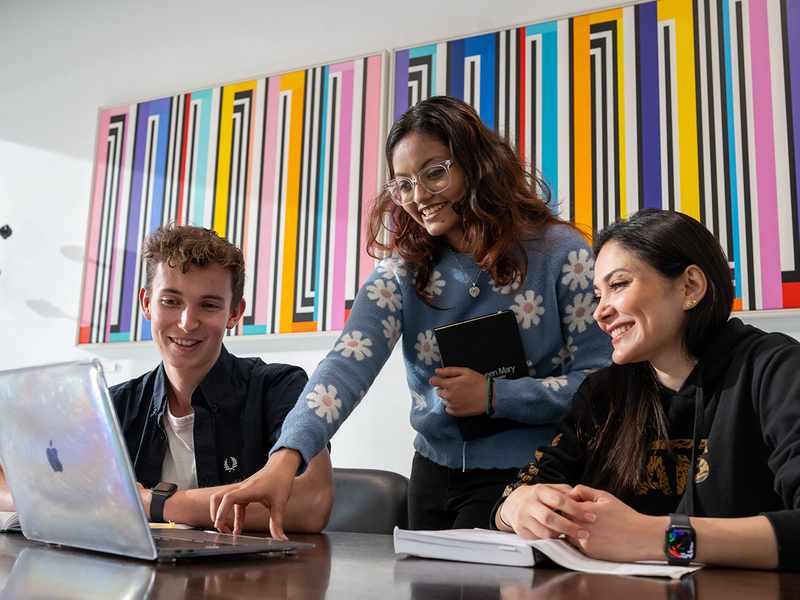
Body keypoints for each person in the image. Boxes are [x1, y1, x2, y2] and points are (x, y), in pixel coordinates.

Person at [210, 96, 611, 536]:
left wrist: (498, 396)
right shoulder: (402, 272)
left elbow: (600, 383)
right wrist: (285, 459)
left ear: (478, 165)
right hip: (432, 477)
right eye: (403, 184)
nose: (417, 197)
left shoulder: (560, 253)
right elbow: (346, 367)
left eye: (435, 173)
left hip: (532, 476)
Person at [492, 208, 800, 570]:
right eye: (597, 294)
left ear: (690, 287)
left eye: (618, 285)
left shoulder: (775, 369)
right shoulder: (602, 393)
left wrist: (657, 537)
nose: (600, 313)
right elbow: (514, 497)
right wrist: (519, 506)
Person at [100, 225, 331, 531]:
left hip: (251, 578)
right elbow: (41, 487)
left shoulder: (279, 387)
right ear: (146, 303)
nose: (186, 322)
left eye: (208, 305)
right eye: (171, 301)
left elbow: (312, 502)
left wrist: (151, 504)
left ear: (234, 313)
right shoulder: (113, 405)